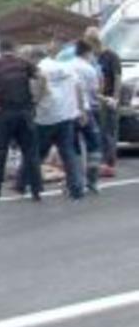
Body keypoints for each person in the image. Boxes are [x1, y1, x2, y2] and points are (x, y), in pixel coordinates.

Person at [16, 43, 85, 200]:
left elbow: (37, 91)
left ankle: (23, 183)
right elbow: (78, 87)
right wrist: (80, 109)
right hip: (66, 115)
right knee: (68, 152)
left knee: (35, 152)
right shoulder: (65, 67)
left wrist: (32, 105)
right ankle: (77, 187)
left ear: (34, 58)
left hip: (45, 117)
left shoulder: (38, 70)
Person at [0, 38, 46, 204]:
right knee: (30, 152)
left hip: (4, 112)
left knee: (0, 153)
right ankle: (36, 190)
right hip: (24, 111)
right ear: (14, 48)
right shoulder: (23, 63)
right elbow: (41, 76)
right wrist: (37, 98)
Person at [86, 27, 121, 176]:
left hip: (107, 99)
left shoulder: (111, 56)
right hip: (96, 99)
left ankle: (109, 163)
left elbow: (117, 77)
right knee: (98, 132)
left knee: (108, 132)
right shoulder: (93, 57)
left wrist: (115, 97)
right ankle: (102, 163)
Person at [73, 39, 103, 194]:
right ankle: (92, 180)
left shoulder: (67, 66)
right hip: (85, 110)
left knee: (73, 148)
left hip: (68, 113)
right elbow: (94, 93)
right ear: (87, 52)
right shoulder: (89, 69)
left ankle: (75, 181)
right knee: (94, 145)